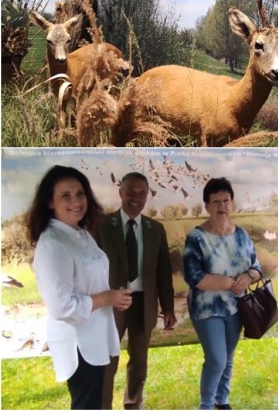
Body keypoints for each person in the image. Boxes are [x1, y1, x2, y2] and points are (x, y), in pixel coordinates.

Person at [27, 165, 132, 410]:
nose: (76, 201)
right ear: (50, 202)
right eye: (66, 195)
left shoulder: (79, 233)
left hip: (94, 337)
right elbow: (62, 307)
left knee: (93, 402)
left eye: (80, 193)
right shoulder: (53, 243)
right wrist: (107, 298)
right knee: (87, 404)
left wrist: (113, 297)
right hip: (78, 344)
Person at [92, 172, 176, 410]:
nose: (136, 198)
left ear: (147, 195)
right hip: (111, 303)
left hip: (143, 303)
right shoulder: (102, 225)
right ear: (121, 192)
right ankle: (103, 405)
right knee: (108, 358)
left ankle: (133, 402)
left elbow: (163, 272)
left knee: (139, 360)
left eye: (142, 193)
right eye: (131, 192)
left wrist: (168, 307)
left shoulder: (155, 229)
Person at [183, 177, 262, 410]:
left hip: (237, 307)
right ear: (206, 205)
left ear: (232, 203)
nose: (221, 206)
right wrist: (229, 283)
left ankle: (222, 400)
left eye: (226, 200)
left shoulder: (242, 235)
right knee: (216, 359)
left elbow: (257, 267)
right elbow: (193, 277)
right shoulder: (196, 237)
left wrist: (248, 277)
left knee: (227, 358)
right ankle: (206, 405)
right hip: (207, 308)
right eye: (215, 201)